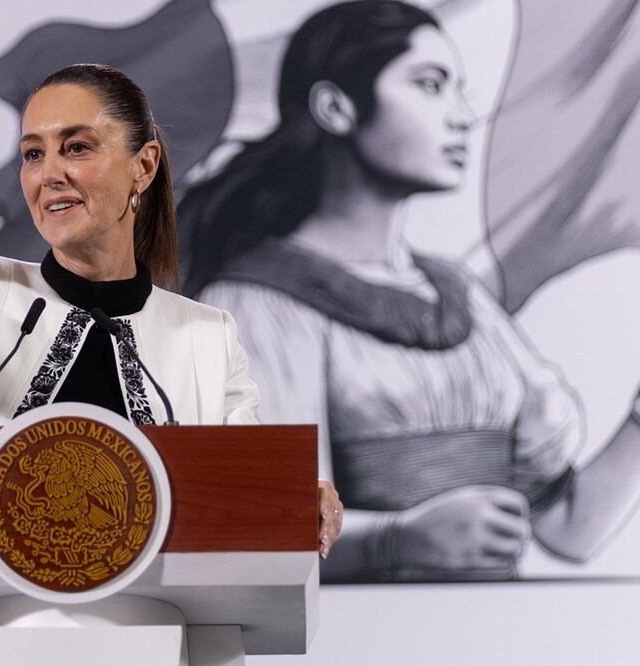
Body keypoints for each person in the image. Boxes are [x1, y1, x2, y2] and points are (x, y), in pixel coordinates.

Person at [0, 63, 343, 555]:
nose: (49, 172)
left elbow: (247, 482)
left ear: (144, 166)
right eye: (34, 153)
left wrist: (296, 497)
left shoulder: (208, 336)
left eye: (76, 147)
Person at [181, 0, 640, 582]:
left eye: (459, 90)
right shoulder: (256, 303)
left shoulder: (461, 297)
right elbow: (260, 535)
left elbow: (569, 529)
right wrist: (395, 541)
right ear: (336, 107)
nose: (463, 116)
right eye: (430, 85)